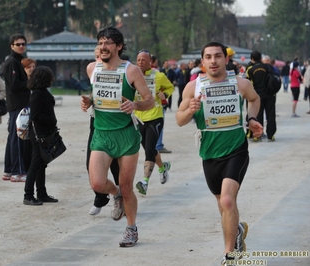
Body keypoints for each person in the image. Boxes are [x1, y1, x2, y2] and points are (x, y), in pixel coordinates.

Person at [176, 42, 263, 265]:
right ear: (202, 62)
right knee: (223, 203)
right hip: (209, 153)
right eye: (208, 57)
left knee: (226, 200)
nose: (213, 61)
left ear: (226, 59)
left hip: (236, 150)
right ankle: (237, 231)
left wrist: (251, 119)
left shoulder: (240, 83)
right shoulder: (192, 87)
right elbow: (179, 119)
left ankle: (229, 254)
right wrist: (190, 110)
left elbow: (254, 99)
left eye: (217, 56)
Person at [80, 26, 154, 247]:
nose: (103, 46)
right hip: (101, 133)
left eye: (108, 42)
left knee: (127, 184)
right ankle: (116, 194)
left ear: (119, 46)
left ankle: (131, 228)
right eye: (100, 42)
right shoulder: (92, 68)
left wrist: (136, 104)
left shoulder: (131, 71)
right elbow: (97, 97)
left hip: (126, 136)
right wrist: (88, 102)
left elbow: (149, 99)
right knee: (97, 182)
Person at [134, 49, 174, 195]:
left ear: (150, 62)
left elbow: (170, 87)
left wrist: (165, 94)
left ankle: (144, 181)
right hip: (139, 118)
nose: (140, 63)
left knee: (150, 149)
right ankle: (163, 167)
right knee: (149, 149)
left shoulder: (159, 75)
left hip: (155, 116)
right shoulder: (133, 75)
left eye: (143, 60)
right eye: (138, 60)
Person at [87, 46, 120, 216]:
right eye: (96, 55)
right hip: (98, 122)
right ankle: (102, 196)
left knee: (116, 166)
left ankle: (120, 197)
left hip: (117, 123)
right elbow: (95, 94)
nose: (98, 56)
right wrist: (88, 101)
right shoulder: (92, 68)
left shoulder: (120, 69)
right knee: (91, 165)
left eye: (100, 54)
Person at [23, 66, 59, 205]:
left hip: (44, 133)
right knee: (36, 163)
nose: (52, 78)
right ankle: (28, 195)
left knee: (42, 164)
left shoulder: (42, 92)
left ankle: (42, 193)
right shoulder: (37, 94)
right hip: (39, 134)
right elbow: (35, 116)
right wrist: (50, 120)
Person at [2, 33, 30, 182]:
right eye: (18, 44)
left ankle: (8, 170)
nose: (21, 46)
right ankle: (17, 171)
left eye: (23, 44)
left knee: (13, 136)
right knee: (18, 138)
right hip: (17, 104)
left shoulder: (18, 61)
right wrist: (30, 83)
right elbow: (14, 85)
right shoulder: (13, 62)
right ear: (12, 46)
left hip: (18, 104)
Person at [246, 50, 277, 142]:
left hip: (257, 95)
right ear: (260, 58)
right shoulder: (268, 67)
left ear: (252, 59)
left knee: (257, 115)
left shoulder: (250, 69)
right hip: (269, 94)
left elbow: (248, 82)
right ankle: (271, 135)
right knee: (271, 114)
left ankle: (257, 135)